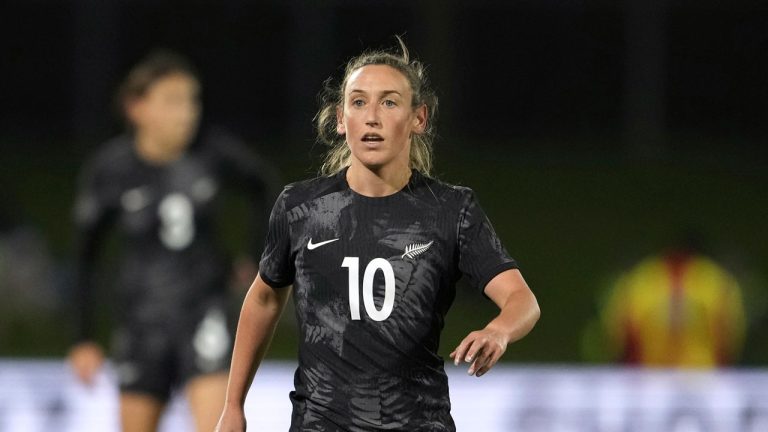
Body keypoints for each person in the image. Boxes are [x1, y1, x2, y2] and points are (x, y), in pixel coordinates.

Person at [215, 37, 541, 432]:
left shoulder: (451, 209)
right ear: (340, 119)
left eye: (389, 102)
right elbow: (265, 299)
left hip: (416, 422)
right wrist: (233, 405)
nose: (372, 116)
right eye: (358, 102)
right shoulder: (300, 207)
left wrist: (498, 331)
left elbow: (522, 300)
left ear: (418, 118)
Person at [67, 50, 279, 432]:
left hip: (204, 311)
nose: (187, 113)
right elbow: (85, 257)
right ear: (137, 108)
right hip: (141, 322)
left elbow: (264, 188)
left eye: (191, 100)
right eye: (172, 101)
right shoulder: (111, 169)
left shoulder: (212, 152)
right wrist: (83, 338)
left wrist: (257, 258)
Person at [591, 235, 746, 367]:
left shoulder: (641, 278)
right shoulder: (716, 281)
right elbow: (729, 337)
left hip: (649, 379)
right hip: (702, 378)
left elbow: (621, 336)